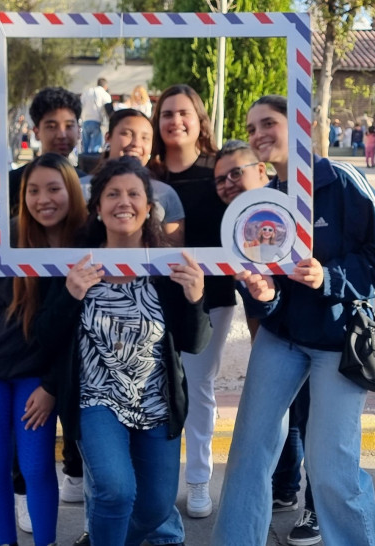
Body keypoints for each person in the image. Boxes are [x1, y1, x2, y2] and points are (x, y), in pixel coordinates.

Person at [212, 94, 375, 546]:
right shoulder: (264, 200)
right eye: (252, 128)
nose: (259, 134)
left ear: (299, 124)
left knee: (331, 469)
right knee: (247, 453)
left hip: (338, 344)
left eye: (268, 123)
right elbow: (269, 288)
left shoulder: (340, 180)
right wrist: (264, 296)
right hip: (281, 339)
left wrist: (330, 277)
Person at [36, 156, 212, 545]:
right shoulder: (78, 264)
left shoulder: (166, 266)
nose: (123, 202)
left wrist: (196, 299)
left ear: (149, 207)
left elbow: (195, 343)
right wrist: (70, 295)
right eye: (112, 194)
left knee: (155, 506)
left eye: (134, 194)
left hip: (156, 402)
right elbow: (45, 337)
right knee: (115, 491)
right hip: (96, 399)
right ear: (97, 208)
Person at [0, 153, 88, 546]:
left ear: (71, 191)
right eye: (33, 190)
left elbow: (77, 331)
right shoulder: (5, 236)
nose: (44, 199)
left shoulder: (88, 242)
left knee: (36, 463)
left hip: (37, 374)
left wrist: (52, 386)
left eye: (54, 188)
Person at [212, 139, 321, 546]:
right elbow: (258, 306)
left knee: (315, 425)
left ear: (263, 171)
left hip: (317, 337)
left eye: (235, 172)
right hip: (278, 337)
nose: (226, 183)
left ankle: (315, 508)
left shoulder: (292, 212)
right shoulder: (239, 229)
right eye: (219, 178)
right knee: (283, 418)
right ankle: (285, 489)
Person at [149, 84, 237, 520]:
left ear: (199, 119)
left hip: (211, 300)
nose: (175, 121)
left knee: (197, 386)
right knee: (158, 391)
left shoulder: (218, 170)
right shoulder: (149, 175)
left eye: (184, 113)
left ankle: (199, 479)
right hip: (152, 301)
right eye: (167, 113)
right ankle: (158, 484)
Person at [80, 108, 185, 245]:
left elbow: (174, 252)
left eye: (145, 138)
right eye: (127, 134)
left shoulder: (166, 193)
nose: (136, 143)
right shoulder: (78, 189)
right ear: (108, 138)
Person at [8, 87, 86, 217]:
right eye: (51, 126)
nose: (61, 135)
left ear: (78, 131)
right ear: (36, 132)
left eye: (69, 126)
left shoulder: (86, 182)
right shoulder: (14, 182)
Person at [80, 78, 112, 154]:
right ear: (105, 86)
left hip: (86, 121)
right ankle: (93, 162)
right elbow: (108, 108)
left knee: (85, 146)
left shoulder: (87, 92)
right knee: (96, 147)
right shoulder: (104, 94)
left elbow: (80, 104)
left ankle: (84, 163)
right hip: (96, 121)